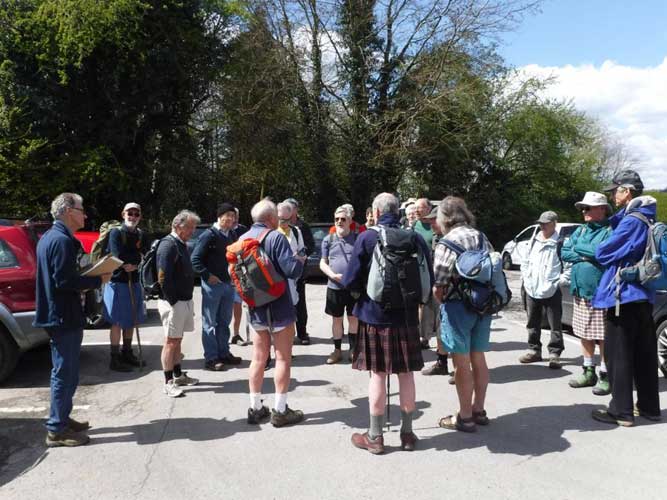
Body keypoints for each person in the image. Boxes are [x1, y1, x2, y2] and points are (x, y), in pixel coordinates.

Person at [342, 193, 433, 454]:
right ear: (398, 211)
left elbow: (350, 280)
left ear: (377, 213)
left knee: (378, 375)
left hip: (375, 316)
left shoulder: (367, 238)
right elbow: (428, 274)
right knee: (407, 374)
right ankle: (407, 434)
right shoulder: (414, 237)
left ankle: (375, 436)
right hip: (407, 317)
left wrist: (360, 297)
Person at [35, 193, 111, 447]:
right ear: (68, 211)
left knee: (67, 371)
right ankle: (56, 429)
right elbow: (64, 280)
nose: (85, 214)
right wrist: (97, 279)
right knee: (64, 373)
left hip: (60, 314)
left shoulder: (52, 237)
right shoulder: (61, 240)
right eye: (81, 209)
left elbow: (62, 277)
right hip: (62, 316)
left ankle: (62, 418)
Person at [591, 170, 661, 426]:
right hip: (645, 295)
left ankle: (621, 412)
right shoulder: (650, 218)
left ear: (627, 191)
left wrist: (598, 246)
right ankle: (650, 408)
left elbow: (603, 252)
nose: (612, 195)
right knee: (645, 354)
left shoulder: (632, 221)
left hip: (623, 295)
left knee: (618, 355)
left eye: (615, 190)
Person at [241, 199, 307, 427]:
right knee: (282, 358)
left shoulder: (242, 239)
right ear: (271, 218)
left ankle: (255, 408)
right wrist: (300, 261)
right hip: (279, 305)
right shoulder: (276, 237)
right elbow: (291, 270)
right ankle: (280, 410)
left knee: (258, 358)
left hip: (256, 306)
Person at [433, 196, 493, 433]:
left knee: (460, 363)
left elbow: (439, 284)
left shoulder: (447, 242)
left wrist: (442, 301)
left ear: (445, 218)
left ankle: (465, 417)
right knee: (478, 357)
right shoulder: (481, 236)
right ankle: (479, 409)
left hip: (457, 306)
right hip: (483, 304)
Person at [561, 192, 612, 395]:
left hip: (600, 293)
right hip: (580, 291)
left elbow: (601, 252)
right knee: (584, 333)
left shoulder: (610, 230)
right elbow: (564, 252)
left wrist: (580, 250)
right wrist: (586, 254)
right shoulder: (581, 230)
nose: (584, 211)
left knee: (603, 336)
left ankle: (605, 374)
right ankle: (588, 371)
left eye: (588, 207)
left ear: (602, 209)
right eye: (583, 208)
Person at [191, 203, 242, 371]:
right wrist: (207, 275)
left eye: (233, 216)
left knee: (224, 322)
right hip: (212, 286)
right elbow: (195, 259)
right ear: (219, 217)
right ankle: (211, 358)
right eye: (228, 215)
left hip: (228, 284)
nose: (231, 219)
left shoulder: (232, 234)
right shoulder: (208, 235)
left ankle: (224, 353)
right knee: (209, 323)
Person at [157, 210, 201, 397]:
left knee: (177, 340)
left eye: (193, 227)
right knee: (171, 341)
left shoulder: (180, 244)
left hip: (183, 300)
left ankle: (178, 375)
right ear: (177, 226)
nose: (192, 231)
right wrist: (173, 301)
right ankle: (168, 382)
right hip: (173, 303)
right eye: (189, 227)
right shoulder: (168, 245)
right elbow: (163, 278)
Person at [103, 202, 146, 372]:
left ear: (140, 217)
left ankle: (127, 352)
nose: (133, 217)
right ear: (123, 214)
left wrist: (134, 264)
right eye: (130, 213)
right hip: (117, 282)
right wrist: (127, 263)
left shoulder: (140, 234)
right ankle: (114, 358)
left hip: (133, 280)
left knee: (132, 319)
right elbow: (117, 254)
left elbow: (142, 254)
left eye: (136, 214)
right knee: (117, 321)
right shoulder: (116, 232)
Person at [519, 210, 564, 368]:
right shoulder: (534, 241)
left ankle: (554, 354)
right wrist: (526, 279)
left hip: (551, 289)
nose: (542, 226)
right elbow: (525, 262)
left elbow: (568, 266)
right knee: (532, 322)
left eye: (546, 223)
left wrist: (558, 282)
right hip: (532, 288)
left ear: (554, 224)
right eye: (541, 223)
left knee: (555, 324)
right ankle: (534, 351)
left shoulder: (560, 243)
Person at [320, 206, 359, 364]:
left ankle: (353, 350)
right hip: (334, 287)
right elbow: (323, 262)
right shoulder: (328, 239)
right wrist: (332, 275)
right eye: (337, 219)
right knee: (336, 319)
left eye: (343, 219)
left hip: (353, 287)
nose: (339, 222)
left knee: (353, 319)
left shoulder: (357, 239)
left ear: (350, 221)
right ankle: (337, 351)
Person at [420, 206, 452, 380]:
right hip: (437, 287)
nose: (431, 223)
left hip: (453, 292)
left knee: (451, 329)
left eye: (434, 220)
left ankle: (460, 369)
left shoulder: (453, 238)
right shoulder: (437, 237)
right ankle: (442, 362)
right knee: (440, 327)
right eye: (430, 220)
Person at [284, 198, 314, 345]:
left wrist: (300, 256)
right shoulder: (278, 226)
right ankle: (287, 335)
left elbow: (310, 246)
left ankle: (302, 333)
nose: (288, 212)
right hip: (284, 274)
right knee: (285, 305)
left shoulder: (302, 226)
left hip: (299, 272)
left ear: (296, 210)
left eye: (290, 208)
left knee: (300, 304)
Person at [230, 207, 248, 346]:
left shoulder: (243, 230)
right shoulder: (221, 232)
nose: (234, 218)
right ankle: (224, 337)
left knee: (238, 305)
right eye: (232, 215)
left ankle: (235, 334)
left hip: (239, 272)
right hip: (225, 274)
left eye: (236, 215)